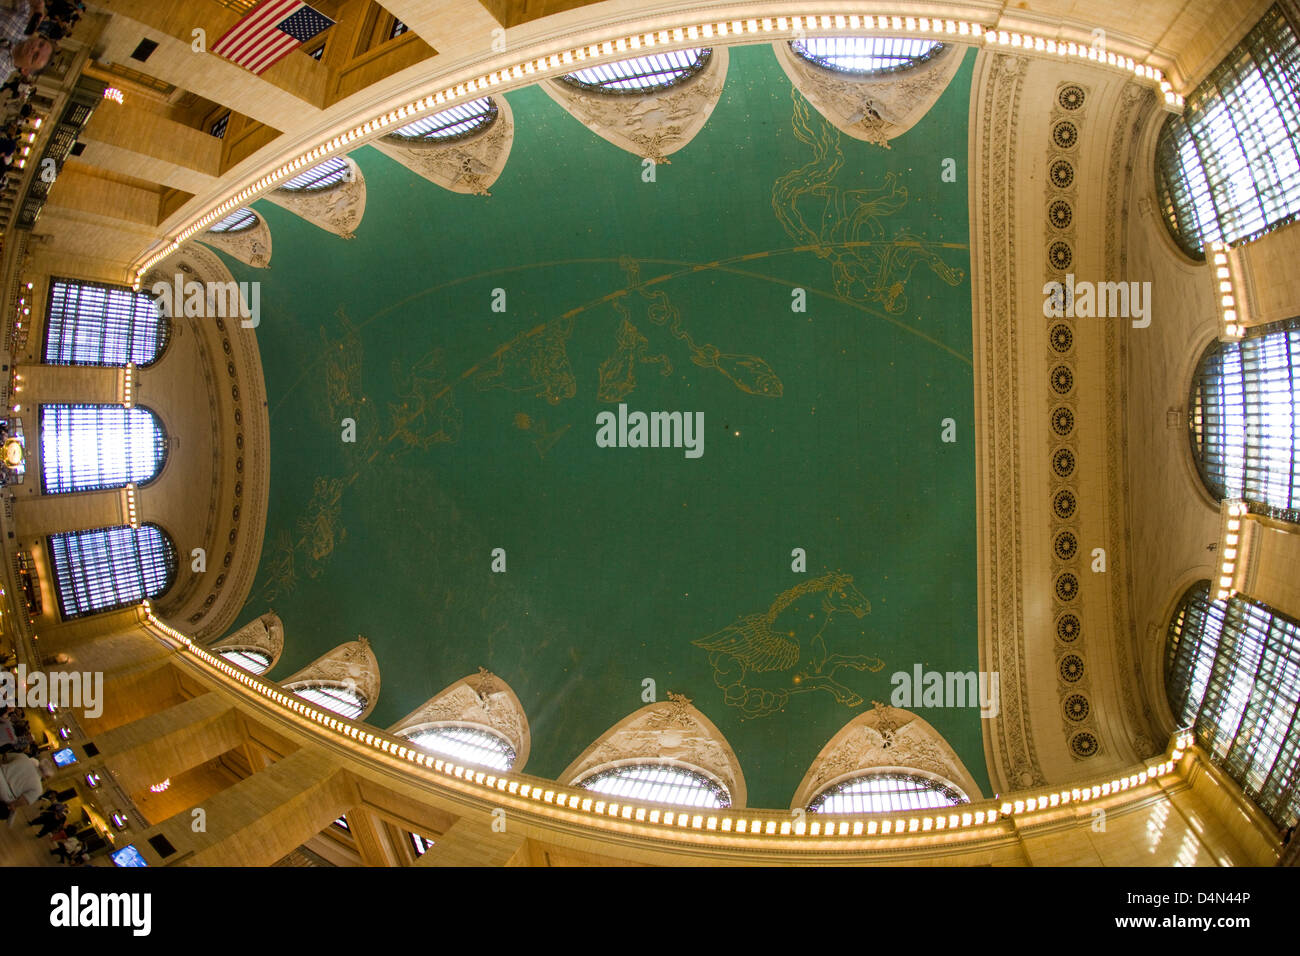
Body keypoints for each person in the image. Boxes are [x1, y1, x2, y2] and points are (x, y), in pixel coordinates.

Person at [0, 750, 48, 824]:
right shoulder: (38, 787)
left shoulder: (23, 757)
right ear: (46, 776)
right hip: (5, 794)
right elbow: (24, 800)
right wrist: (13, 805)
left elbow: (5, 757)